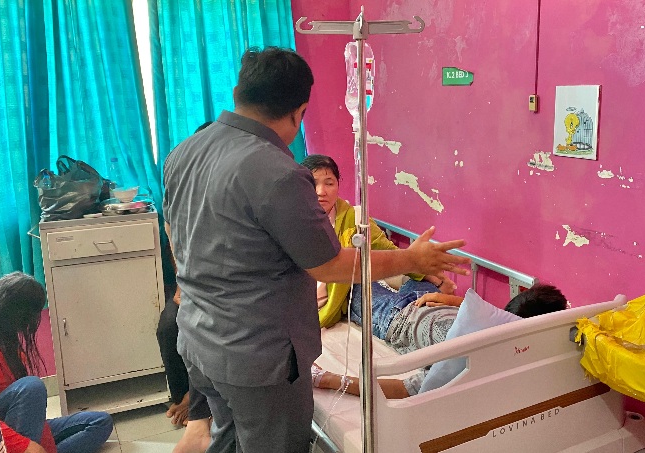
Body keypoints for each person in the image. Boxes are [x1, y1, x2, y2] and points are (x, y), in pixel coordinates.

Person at [162, 46, 470, 453]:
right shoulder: (278, 173)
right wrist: (412, 258)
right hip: (256, 359)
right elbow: (330, 265)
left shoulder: (184, 152)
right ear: (299, 112)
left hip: (199, 339)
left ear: (239, 92)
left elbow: (174, 229)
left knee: (229, 436)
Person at [312, 284, 568, 399]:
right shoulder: (498, 325)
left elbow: (406, 389)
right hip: (429, 297)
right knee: (411, 268)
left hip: (397, 315)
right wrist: (451, 299)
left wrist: (329, 379)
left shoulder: (472, 355)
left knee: (350, 276)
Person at [300, 154, 456, 331]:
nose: (321, 191)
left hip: (348, 290)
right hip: (316, 305)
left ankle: (436, 316)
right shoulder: (291, 222)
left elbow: (391, 252)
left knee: (419, 289)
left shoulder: (355, 218)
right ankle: (422, 321)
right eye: (313, 183)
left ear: (338, 185)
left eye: (329, 183)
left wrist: (439, 281)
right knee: (383, 302)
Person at [0, 272, 113, 453]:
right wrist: (26, 446)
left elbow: (29, 415)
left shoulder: (6, 341)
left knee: (100, 422)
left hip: (18, 427)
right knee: (31, 387)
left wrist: (42, 446)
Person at [156, 122, 214, 434]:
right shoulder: (181, 192)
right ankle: (182, 398)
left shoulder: (230, 189)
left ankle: (197, 400)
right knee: (168, 326)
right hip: (192, 282)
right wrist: (182, 283)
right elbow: (174, 242)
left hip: (220, 288)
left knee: (200, 330)